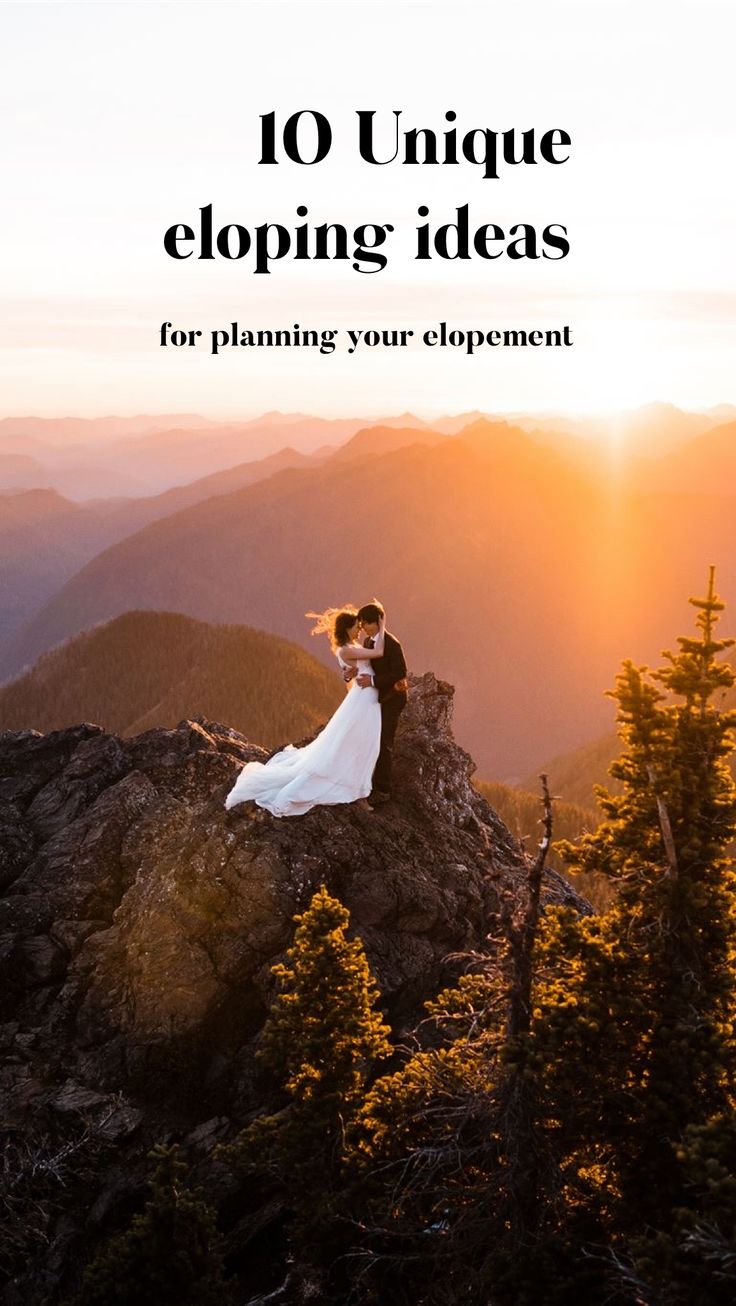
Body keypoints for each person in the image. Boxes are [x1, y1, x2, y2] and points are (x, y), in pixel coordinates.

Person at [224, 607, 386, 817]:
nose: (360, 630)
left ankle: (359, 785)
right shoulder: (346, 650)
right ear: (347, 629)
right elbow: (378, 653)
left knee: (363, 742)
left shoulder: (349, 648)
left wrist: (353, 673)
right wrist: (383, 624)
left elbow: (356, 671)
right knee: (361, 742)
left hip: (365, 697)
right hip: (364, 699)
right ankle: (357, 787)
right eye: (357, 627)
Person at [344, 601, 408, 807]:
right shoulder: (370, 642)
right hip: (375, 698)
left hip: (392, 698)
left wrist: (372, 681)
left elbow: (399, 673)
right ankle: (367, 780)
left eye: (366, 622)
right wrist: (354, 672)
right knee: (370, 738)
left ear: (377, 622)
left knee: (383, 741)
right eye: (361, 622)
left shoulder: (391, 643)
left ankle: (382, 789)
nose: (362, 626)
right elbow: (368, 665)